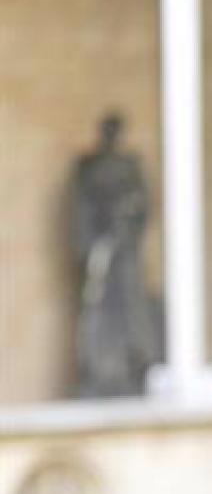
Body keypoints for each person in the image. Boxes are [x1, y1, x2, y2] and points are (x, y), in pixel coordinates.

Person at [69, 111, 161, 397]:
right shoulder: (88, 167)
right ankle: (99, 371)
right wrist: (91, 245)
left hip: (125, 249)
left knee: (132, 308)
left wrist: (128, 221)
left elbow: (144, 204)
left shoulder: (130, 166)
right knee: (96, 309)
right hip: (100, 249)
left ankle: (135, 365)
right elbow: (80, 208)